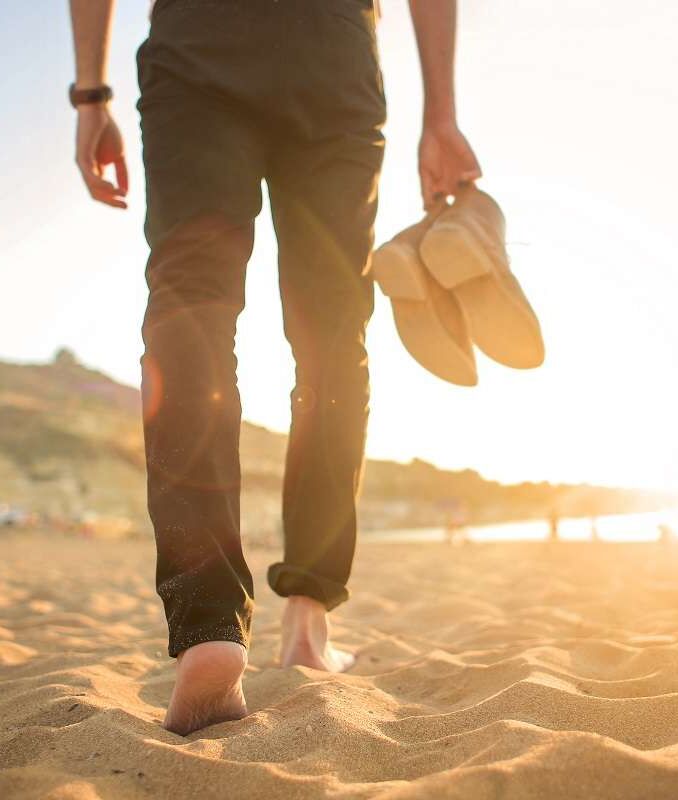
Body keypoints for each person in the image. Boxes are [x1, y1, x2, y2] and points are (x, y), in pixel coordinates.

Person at [68, 0, 481, 735]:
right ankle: (308, 625)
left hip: (199, 41)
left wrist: (89, 93)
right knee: (330, 333)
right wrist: (441, 115)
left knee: (190, 306)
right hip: (333, 49)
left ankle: (209, 628)